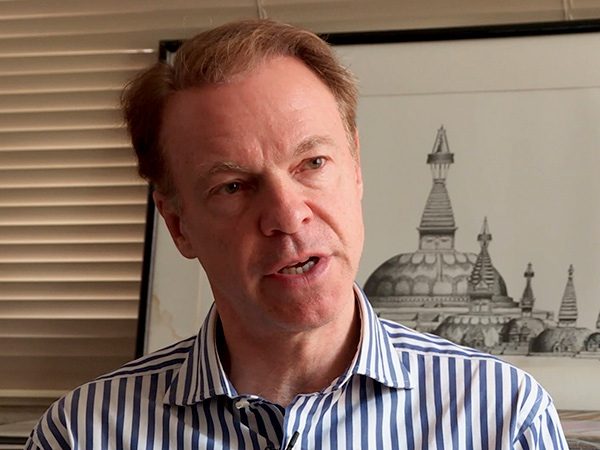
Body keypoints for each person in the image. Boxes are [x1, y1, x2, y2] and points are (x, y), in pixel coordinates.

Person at [26, 19, 568, 450]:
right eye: (233, 187)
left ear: (355, 168)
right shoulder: (84, 433)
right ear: (178, 225)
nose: (287, 216)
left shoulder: (502, 418)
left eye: (312, 162)